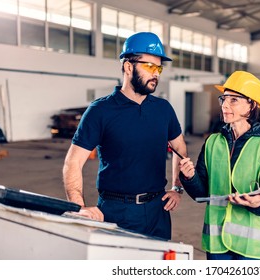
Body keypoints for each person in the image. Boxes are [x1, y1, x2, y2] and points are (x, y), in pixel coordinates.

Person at [63, 32, 187, 240]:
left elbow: (180, 149)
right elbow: (72, 163)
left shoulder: (163, 109)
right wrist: (80, 208)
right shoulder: (100, 111)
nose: (155, 73)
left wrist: (177, 187)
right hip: (116, 211)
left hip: (158, 210)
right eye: (149, 66)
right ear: (128, 66)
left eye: (159, 68)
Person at [179, 71, 260, 260]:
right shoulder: (212, 142)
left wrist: (259, 203)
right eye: (224, 99)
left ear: (251, 105)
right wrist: (189, 178)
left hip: (252, 248)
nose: (225, 105)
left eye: (233, 100)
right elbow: (201, 195)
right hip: (217, 244)